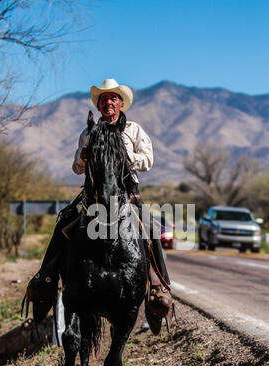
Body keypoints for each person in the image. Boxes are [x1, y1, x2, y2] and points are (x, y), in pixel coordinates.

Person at [24, 79, 173, 335]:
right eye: (104, 99)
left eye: (113, 98)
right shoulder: (89, 132)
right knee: (64, 221)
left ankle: (159, 286)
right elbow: (76, 167)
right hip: (92, 195)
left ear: (121, 103)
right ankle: (45, 279)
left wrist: (127, 158)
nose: (108, 102)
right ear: (99, 104)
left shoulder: (134, 131)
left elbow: (148, 159)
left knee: (149, 226)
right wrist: (83, 159)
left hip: (127, 193)